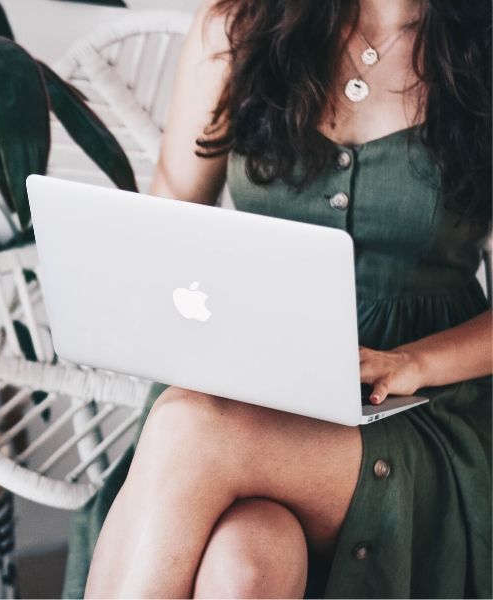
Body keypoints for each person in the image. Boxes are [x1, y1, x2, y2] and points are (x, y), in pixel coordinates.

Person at [62, 0, 492, 597]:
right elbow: (170, 219)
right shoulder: (238, 27)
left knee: (189, 429)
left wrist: (412, 363)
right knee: (245, 564)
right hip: (250, 377)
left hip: (428, 402)